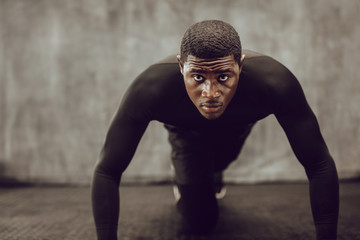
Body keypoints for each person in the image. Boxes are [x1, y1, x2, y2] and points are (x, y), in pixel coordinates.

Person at [91, 20, 339, 240]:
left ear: (240, 65)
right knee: (201, 223)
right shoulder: (150, 89)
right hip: (187, 137)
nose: (210, 93)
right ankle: (183, 177)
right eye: (197, 77)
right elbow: (107, 171)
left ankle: (216, 171)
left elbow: (318, 164)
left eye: (223, 76)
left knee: (221, 161)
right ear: (181, 66)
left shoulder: (275, 83)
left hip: (235, 131)